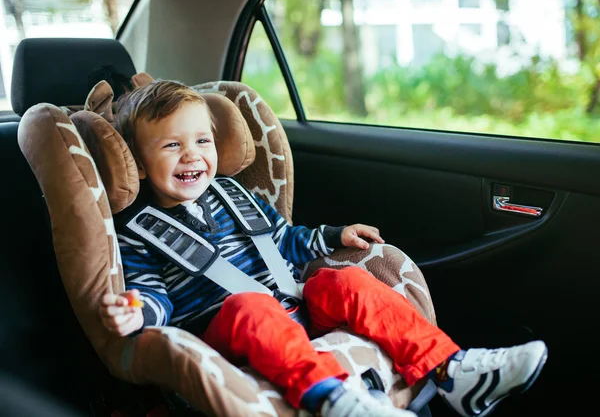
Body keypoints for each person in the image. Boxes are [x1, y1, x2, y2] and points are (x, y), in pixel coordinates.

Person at [99, 80, 548, 417]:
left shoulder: (234, 194)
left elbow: (283, 242)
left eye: (202, 141)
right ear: (138, 163)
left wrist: (335, 236)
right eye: (172, 146)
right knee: (251, 306)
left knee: (343, 278)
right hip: (225, 334)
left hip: (291, 311)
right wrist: (138, 312)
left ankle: (452, 369)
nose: (192, 155)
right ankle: (333, 399)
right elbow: (153, 293)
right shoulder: (138, 231)